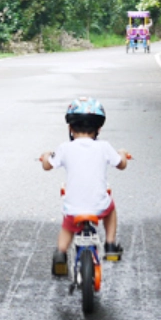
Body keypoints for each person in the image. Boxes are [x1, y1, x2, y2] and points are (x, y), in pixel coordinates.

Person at [40, 97, 130, 276]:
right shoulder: (104, 147)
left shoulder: (64, 148)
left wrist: (45, 156)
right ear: (98, 129)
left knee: (68, 227)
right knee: (110, 208)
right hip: (99, 206)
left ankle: (61, 254)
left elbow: (47, 165)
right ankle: (111, 244)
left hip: (73, 208)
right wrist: (122, 154)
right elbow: (121, 164)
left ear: (70, 128)